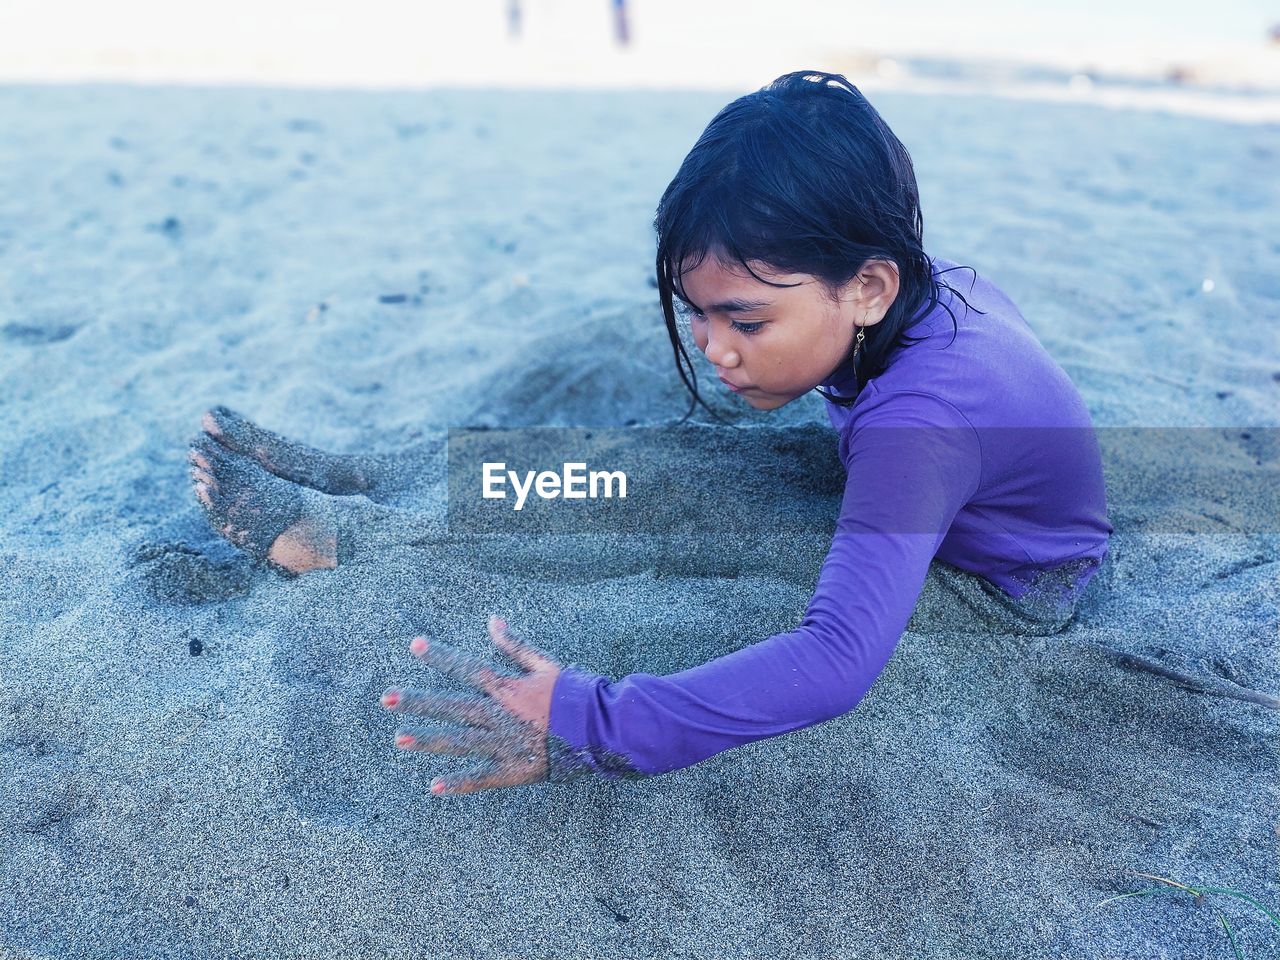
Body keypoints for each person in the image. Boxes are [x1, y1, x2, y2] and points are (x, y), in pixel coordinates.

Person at [189, 71, 1112, 796]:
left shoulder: (919, 430)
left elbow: (834, 665)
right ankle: (380, 478)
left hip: (1004, 588)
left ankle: (352, 542)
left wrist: (592, 717)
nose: (716, 349)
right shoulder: (909, 289)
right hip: (944, 493)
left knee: (669, 525)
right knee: (658, 458)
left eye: (746, 323)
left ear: (868, 286)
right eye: (698, 316)